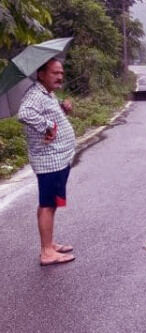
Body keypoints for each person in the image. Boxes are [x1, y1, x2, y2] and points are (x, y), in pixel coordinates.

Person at [18, 58, 76, 266]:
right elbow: (25, 113)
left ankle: (49, 244)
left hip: (58, 158)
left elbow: (48, 114)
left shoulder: (46, 94)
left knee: (49, 203)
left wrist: (62, 109)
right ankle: (47, 252)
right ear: (41, 74)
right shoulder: (35, 95)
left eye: (61, 73)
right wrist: (47, 126)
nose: (60, 76)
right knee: (47, 204)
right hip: (49, 160)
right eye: (55, 73)